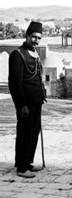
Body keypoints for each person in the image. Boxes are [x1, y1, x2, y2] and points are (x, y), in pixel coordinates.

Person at [8, 21, 46, 177]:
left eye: (39, 38)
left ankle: (28, 162)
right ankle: (22, 168)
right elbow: (15, 83)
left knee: (34, 132)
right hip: (25, 103)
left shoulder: (35, 54)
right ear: (27, 35)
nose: (36, 41)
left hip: (37, 101)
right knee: (24, 133)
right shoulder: (17, 55)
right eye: (34, 37)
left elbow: (37, 77)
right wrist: (21, 104)